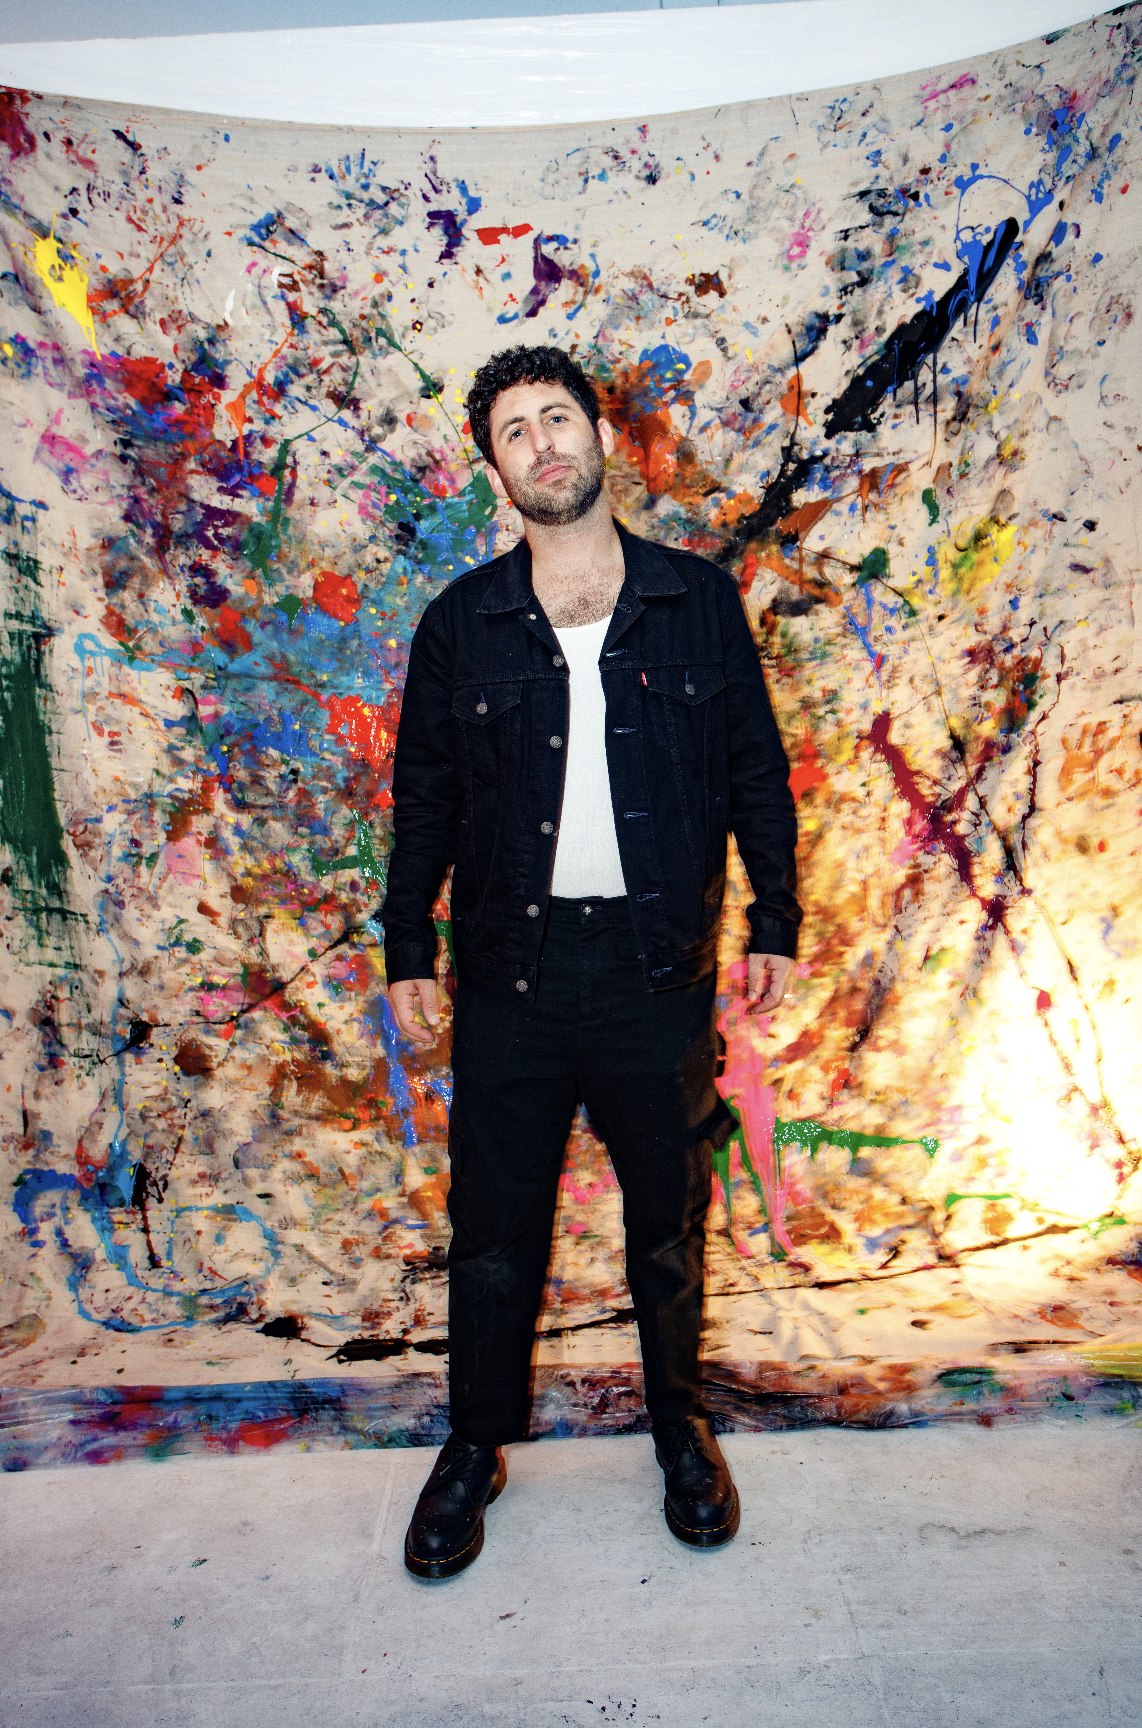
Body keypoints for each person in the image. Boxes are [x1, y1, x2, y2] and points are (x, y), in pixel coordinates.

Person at [382, 344, 800, 1579]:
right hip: (508, 971)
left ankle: (679, 1432)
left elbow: (754, 770)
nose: (542, 443)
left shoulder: (695, 601)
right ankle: (473, 1447)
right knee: (491, 1230)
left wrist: (775, 918)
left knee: (666, 1224)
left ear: (599, 436)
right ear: (495, 469)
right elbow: (423, 798)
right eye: (513, 430)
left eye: (555, 417)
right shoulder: (460, 623)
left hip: (653, 968)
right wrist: (407, 945)